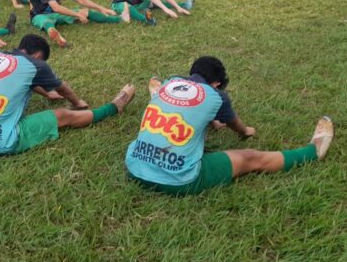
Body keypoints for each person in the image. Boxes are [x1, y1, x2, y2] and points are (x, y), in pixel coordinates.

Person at [124, 56, 335, 196]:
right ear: (216, 84)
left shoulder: (170, 82)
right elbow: (234, 124)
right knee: (250, 157)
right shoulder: (217, 96)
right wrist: (245, 131)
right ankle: (312, 152)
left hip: (134, 166)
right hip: (178, 180)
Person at [0, 34, 136, 155]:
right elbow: (63, 89)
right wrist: (78, 102)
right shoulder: (36, 65)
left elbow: (24, 81)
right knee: (63, 115)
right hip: (1, 140)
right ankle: (113, 108)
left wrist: (46, 94)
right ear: (38, 55)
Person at [28, 0, 124, 48]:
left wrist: (101, 8)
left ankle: (119, 19)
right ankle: (57, 36)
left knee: (85, 12)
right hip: (38, 15)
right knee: (46, 22)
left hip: (55, 14)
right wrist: (77, 15)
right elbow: (56, 8)